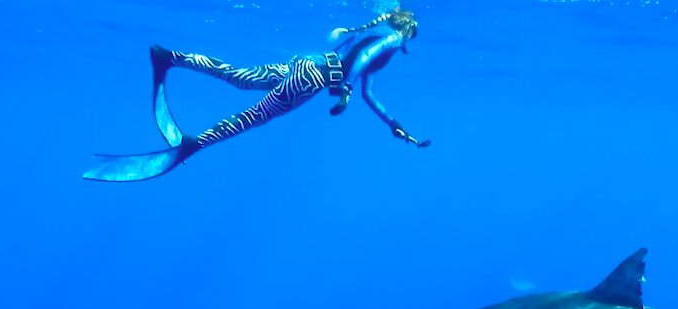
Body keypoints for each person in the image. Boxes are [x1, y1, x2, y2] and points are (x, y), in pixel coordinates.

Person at [83, 8, 429, 183]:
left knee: (240, 78)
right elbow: (364, 64)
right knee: (253, 117)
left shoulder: (372, 29)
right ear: (407, 31)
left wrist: (393, 125)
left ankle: (172, 57)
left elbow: (367, 84)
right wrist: (346, 93)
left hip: (307, 64)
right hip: (314, 79)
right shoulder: (392, 39)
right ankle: (195, 143)